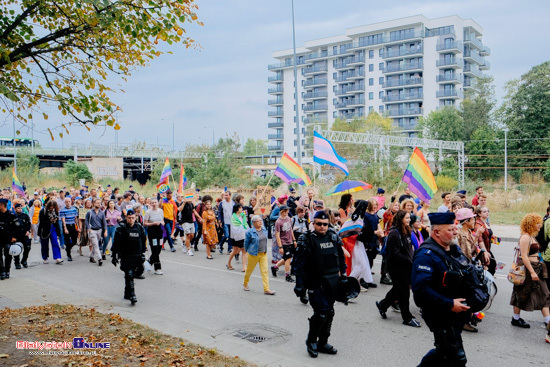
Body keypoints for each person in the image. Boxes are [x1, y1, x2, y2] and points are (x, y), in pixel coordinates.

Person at [412, 212, 471, 366]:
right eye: (450, 229)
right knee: (456, 357)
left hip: (454, 313)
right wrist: (449, 303)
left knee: (443, 353)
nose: (456, 232)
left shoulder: (451, 249)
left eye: (455, 228)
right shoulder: (425, 255)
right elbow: (421, 289)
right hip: (439, 313)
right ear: (436, 232)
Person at [293, 211, 346, 358]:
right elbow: (299, 263)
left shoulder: (334, 236)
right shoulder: (307, 239)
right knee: (321, 313)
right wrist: (299, 284)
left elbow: (340, 257)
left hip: (333, 280)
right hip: (315, 282)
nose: (322, 227)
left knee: (329, 312)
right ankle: (311, 341)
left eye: (325, 224)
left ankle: (323, 342)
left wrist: (344, 276)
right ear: (313, 224)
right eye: (319, 224)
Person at [376, 210, 421, 327]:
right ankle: (407, 317)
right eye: (407, 218)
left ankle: (382, 305)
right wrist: (408, 261)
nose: (409, 220)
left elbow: (408, 249)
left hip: (406, 265)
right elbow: (394, 254)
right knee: (404, 292)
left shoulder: (406, 230)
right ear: (401, 219)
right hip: (396, 267)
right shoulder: (394, 234)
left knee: (398, 289)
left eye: (409, 218)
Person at [510, 213, 550, 329]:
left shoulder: (531, 236)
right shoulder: (525, 237)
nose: (540, 226)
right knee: (521, 293)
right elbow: (523, 256)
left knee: (544, 294)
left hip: (536, 267)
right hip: (529, 269)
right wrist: (532, 272)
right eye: (537, 223)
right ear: (531, 224)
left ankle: (547, 321)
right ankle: (516, 318)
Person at [111, 209, 146, 305]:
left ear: (135, 218)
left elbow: (143, 241)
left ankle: (127, 293)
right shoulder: (121, 228)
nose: (131, 220)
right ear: (126, 218)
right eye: (129, 218)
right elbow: (116, 243)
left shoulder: (139, 227)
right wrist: (114, 256)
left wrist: (143, 253)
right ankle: (132, 295)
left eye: (132, 218)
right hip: (125, 255)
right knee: (129, 274)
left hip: (136, 255)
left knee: (131, 274)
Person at [243, 215, 275, 295]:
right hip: (253, 254)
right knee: (249, 270)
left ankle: (266, 289)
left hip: (263, 254)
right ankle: (245, 283)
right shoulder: (249, 232)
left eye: (261, 220)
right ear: (253, 223)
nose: (260, 222)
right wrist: (247, 252)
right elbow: (246, 243)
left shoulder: (264, 229)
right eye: (258, 221)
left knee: (265, 271)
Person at [360, 198, 383, 286]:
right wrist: (375, 232)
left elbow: (377, 225)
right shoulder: (366, 216)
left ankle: (368, 278)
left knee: (372, 259)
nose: (375, 207)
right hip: (368, 240)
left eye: (376, 205)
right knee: (367, 260)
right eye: (373, 205)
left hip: (374, 240)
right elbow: (364, 230)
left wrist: (380, 231)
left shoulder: (375, 215)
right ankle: (363, 280)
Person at [271, 205, 297, 283]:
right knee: (288, 259)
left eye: (287, 210)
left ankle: (275, 267)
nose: (287, 212)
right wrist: (280, 247)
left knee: (286, 258)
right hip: (283, 242)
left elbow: (291, 230)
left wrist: (294, 240)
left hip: (290, 241)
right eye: (286, 211)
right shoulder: (278, 222)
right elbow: (277, 235)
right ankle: (287, 276)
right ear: (282, 211)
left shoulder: (289, 219)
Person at [38, 200, 64, 264]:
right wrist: (50, 220)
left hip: (53, 228)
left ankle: (57, 257)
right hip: (44, 229)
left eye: (53, 208)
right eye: (50, 208)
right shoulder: (43, 211)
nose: (52, 209)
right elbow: (41, 222)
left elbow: (57, 222)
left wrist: (58, 230)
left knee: (55, 242)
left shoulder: (56, 211)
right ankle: (45, 257)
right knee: (44, 244)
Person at [144, 198, 165, 275]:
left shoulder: (160, 211)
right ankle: (158, 268)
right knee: (154, 248)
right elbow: (145, 223)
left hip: (159, 231)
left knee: (159, 248)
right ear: (150, 204)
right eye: (152, 202)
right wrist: (153, 223)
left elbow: (162, 220)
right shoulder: (148, 212)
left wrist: (162, 223)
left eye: (155, 202)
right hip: (152, 231)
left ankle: (149, 261)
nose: (154, 204)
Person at [474, 206, 496, 275]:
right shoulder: (478, 224)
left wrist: (494, 238)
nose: (487, 213)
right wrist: (485, 252)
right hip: (482, 249)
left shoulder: (486, 222)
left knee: (492, 265)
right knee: (491, 265)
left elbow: (488, 235)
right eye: (484, 211)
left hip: (488, 248)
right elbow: (480, 240)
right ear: (479, 214)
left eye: (487, 211)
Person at [85, 198, 107, 266]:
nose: (99, 204)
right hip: (92, 230)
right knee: (96, 244)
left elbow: (104, 223)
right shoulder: (89, 212)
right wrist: (88, 229)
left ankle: (91, 257)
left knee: (95, 244)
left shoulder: (102, 213)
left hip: (99, 230)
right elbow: (86, 221)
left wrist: (105, 231)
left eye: (100, 203)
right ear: (93, 204)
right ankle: (99, 259)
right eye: (97, 203)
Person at [228, 204, 248, 271]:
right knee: (235, 251)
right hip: (236, 236)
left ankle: (243, 267)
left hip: (243, 235)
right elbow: (234, 228)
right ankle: (229, 263)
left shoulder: (243, 216)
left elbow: (245, 224)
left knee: (244, 251)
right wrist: (242, 226)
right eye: (240, 208)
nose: (241, 209)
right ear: (236, 209)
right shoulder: (233, 217)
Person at [0, 198, 17, 279]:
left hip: (9, 238)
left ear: (2, 205)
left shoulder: (11, 215)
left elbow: (17, 227)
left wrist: (14, 237)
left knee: (8, 255)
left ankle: (7, 271)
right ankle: (1, 271)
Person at [12, 203, 31, 269]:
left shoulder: (25, 215)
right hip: (16, 235)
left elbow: (28, 224)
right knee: (16, 249)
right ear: (15, 209)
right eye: (18, 208)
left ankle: (24, 260)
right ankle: (17, 262)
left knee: (27, 247)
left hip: (24, 234)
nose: (20, 209)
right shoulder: (12, 216)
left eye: (21, 208)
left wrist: (28, 231)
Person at [59, 197, 79, 261]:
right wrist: (65, 228)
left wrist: (78, 226)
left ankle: (68, 248)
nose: (68, 203)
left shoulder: (74, 209)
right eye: (67, 202)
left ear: (71, 202)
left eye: (69, 201)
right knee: (67, 241)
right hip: (67, 225)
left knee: (74, 240)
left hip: (73, 225)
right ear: (65, 202)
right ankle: (69, 255)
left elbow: (76, 218)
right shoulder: (62, 210)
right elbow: (63, 220)